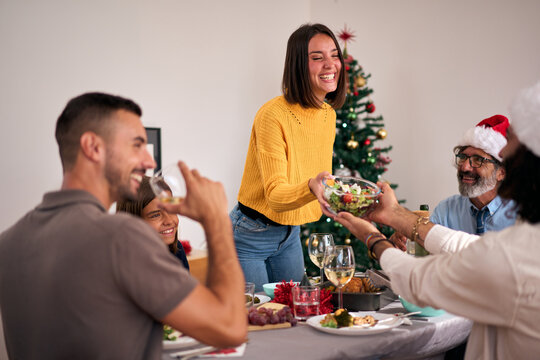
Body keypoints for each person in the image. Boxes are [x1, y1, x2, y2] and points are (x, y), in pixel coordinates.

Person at [0, 92, 246, 360]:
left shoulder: (9, 241)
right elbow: (230, 328)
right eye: (136, 145)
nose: (149, 161)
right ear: (93, 147)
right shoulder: (121, 235)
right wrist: (217, 221)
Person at [328, 80, 540, 359]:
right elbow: (464, 247)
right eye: (463, 157)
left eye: (509, 140)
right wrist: (395, 216)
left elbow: (419, 280)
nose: (503, 151)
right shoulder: (523, 239)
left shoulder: (518, 254)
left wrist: (372, 237)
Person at [230, 23, 347, 290]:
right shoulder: (273, 115)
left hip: (290, 232)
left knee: (296, 315)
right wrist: (311, 186)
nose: (330, 64)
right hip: (250, 234)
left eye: (334, 55)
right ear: (297, 65)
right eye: (317, 58)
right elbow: (275, 194)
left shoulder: (328, 115)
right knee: (259, 322)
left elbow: (318, 179)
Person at [430, 115, 517, 234]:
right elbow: (423, 247)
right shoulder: (445, 211)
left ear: (501, 173)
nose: (465, 167)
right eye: (462, 157)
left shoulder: (521, 215)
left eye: (478, 160)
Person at [117, 175, 190, 270]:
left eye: (171, 210)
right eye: (156, 215)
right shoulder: (125, 265)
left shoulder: (176, 251)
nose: (169, 221)